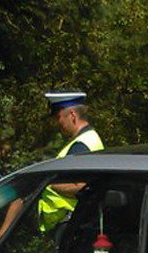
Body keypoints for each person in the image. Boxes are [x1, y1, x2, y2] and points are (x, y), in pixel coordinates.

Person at [38, 89, 105, 231]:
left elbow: (81, 185)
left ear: (72, 115)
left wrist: (48, 183)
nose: (58, 123)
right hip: (73, 221)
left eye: (58, 117)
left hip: (71, 223)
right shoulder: (85, 140)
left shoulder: (81, 145)